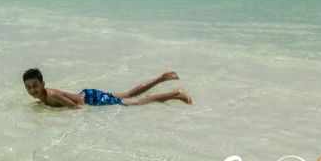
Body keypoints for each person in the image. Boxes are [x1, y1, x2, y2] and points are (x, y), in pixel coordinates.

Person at [22, 68, 193, 108]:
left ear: (43, 84)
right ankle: (160, 78)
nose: (32, 90)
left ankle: (176, 94)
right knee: (128, 94)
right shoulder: (44, 97)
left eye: (35, 86)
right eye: (28, 88)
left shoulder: (51, 96)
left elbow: (76, 108)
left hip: (90, 99)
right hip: (87, 93)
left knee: (135, 102)